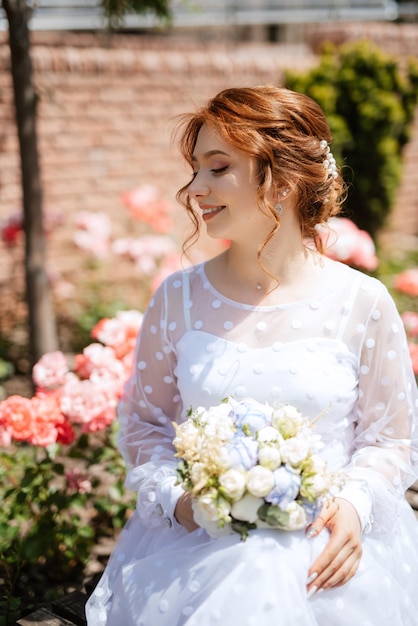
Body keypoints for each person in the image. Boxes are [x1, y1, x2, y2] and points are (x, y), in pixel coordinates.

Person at [86, 86, 418, 626]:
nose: (196, 189)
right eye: (195, 170)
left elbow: (389, 439)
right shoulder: (177, 299)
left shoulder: (363, 302)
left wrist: (354, 507)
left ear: (283, 181)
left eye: (218, 169)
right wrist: (185, 503)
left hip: (327, 546)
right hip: (199, 543)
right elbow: (145, 427)